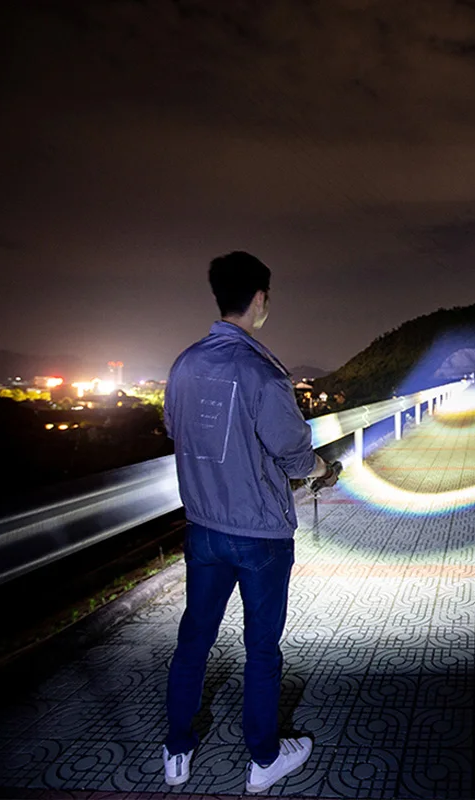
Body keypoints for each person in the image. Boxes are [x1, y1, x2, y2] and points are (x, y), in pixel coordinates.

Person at [161, 251, 340, 792]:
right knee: (261, 647)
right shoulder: (263, 372)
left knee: (194, 638)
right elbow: (294, 455)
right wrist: (325, 470)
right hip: (260, 535)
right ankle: (263, 759)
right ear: (260, 298)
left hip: (203, 528)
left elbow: (175, 426)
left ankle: (176, 751)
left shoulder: (184, 365)